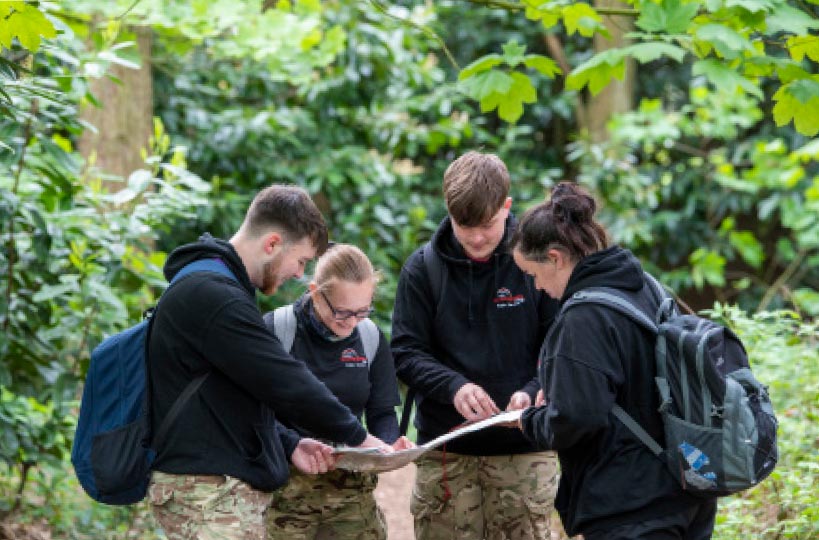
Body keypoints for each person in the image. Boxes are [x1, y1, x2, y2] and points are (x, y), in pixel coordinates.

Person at [146, 185, 389, 540]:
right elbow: (285, 382)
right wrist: (359, 436)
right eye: (302, 261)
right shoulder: (216, 297)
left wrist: (290, 445)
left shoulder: (218, 283)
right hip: (205, 491)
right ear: (273, 244)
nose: (297, 273)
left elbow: (235, 395)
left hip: (218, 487)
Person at [509, 181, 717, 540]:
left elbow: (578, 416)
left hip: (631, 505)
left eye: (533, 275)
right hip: (686, 488)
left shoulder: (583, 318)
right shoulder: (645, 286)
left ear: (555, 257)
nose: (537, 287)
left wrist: (531, 421)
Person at [391, 151, 561, 539]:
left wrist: (533, 390)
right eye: (464, 226)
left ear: (507, 206)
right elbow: (404, 352)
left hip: (526, 450)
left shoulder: (538, 262)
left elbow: (560, 342)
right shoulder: (423, 269)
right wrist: (454, 387)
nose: (477, 238)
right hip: (447, 454)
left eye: (486, 225)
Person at [264, 243, 413, 540]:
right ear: (315, 291)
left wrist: (387, 446)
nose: (351, 323)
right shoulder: (278, 331)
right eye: (342, 312)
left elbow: (382, 411)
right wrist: (291, 443)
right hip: (284, 495)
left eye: (362, 311)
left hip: (351, 497)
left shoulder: (369, 337)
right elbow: (254, 412)